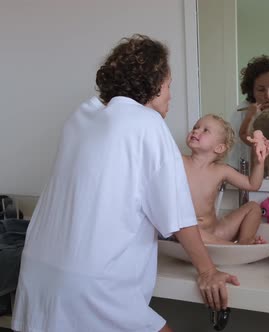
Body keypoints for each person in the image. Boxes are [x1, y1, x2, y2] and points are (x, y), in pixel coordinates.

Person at [11, 35, 238, 332]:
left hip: (38, 274)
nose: (170, 95)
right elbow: (178, 216)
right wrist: (208, 271)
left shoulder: (82, 116)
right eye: (169, 85)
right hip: (91, 287)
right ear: (154, 85)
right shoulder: (147, 123)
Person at [182, 114, 269, 245]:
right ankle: (235, 248)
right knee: (184, 229)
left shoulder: (221, 170)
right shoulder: (179, 162)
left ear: (219, 148)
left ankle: (245, 241)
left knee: (253, 207)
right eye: (196, 127)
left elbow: (253, 185)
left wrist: (260, 161)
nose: (196, 130)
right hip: (189, 234)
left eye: (205, 130)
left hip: (215, 232)